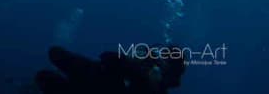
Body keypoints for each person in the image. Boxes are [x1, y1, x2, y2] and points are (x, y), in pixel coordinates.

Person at [35, 45, 186, 94]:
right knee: (48, 71)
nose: (154, 67)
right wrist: (128, 60)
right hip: (91, 79)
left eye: (160, 66)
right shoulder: (131, 65)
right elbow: (108, 59)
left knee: (46, 78)